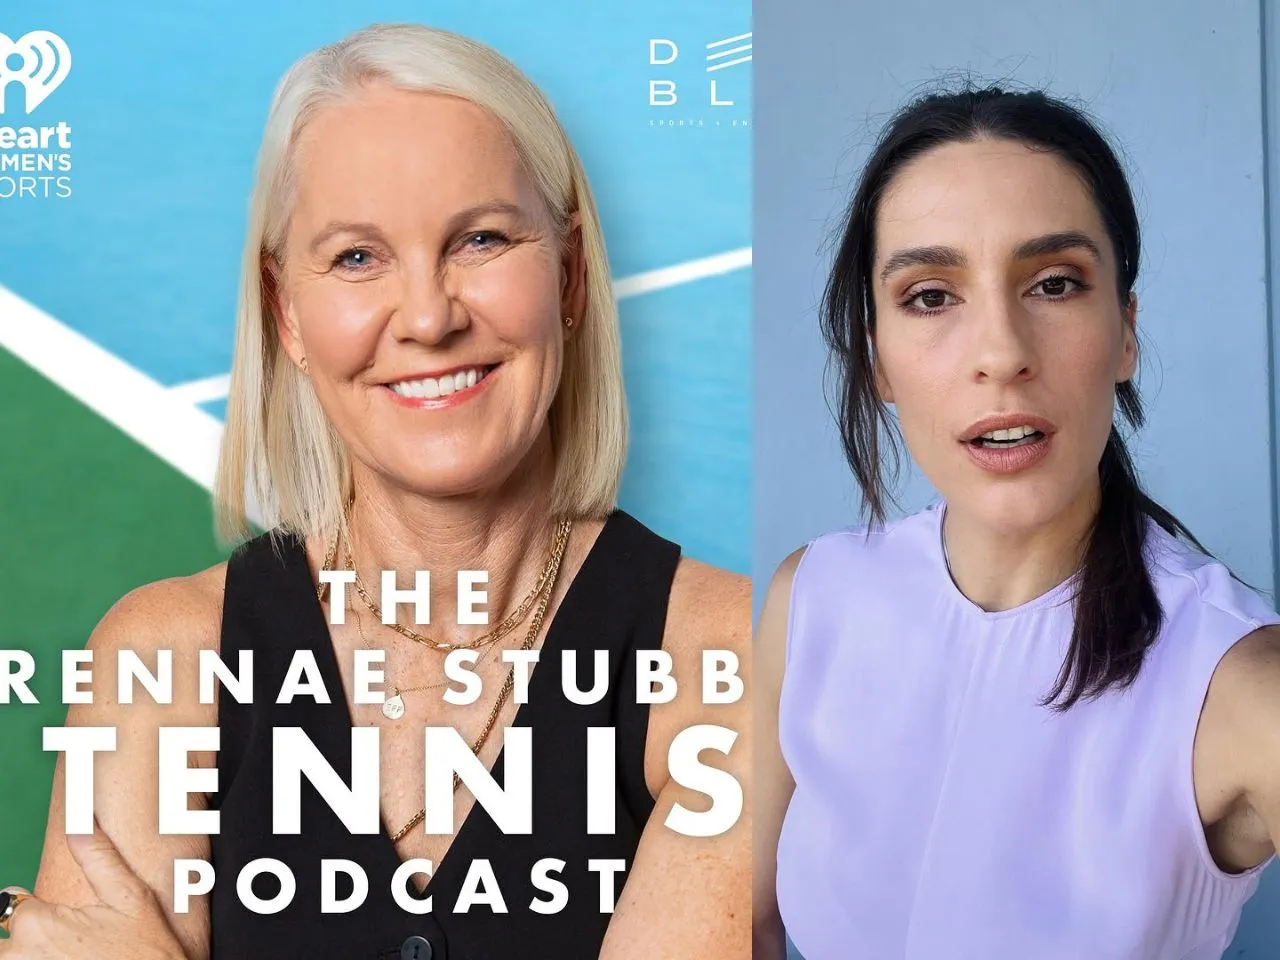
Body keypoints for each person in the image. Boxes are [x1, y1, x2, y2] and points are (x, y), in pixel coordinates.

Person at [0, 23, 750, 960]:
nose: (430, 317)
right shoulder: (160, 665)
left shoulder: (733, 661)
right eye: (357, 258)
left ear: (567, 274)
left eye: (480, 239)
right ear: (287, 313)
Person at [753, 86, 1280, 960]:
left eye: (1055, 283)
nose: (1000, 353)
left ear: (1125, 334)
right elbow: (749, 922)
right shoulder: (811, 598)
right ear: (876, 356)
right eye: (930, 296)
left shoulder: (1241, 684)